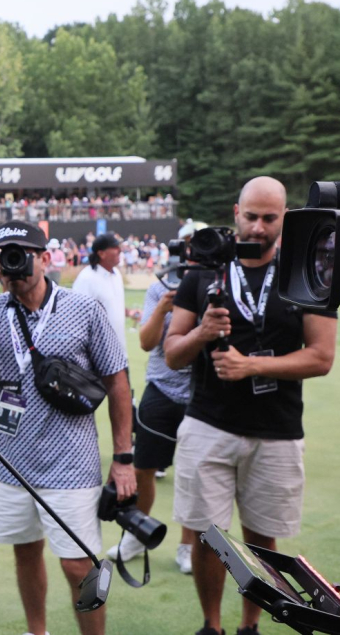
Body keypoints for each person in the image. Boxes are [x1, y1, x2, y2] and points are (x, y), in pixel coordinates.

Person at [164, 177, 336, 635]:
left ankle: (250, 626)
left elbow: (321, 357)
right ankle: (212, 626)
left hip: (276, 430)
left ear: (284, 219)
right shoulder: (203, 269)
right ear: (236, 211)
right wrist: (202, 332)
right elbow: (171, 352)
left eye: (269, 218)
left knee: (263, 540)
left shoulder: (307, 271)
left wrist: (252, 367)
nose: (258, 227)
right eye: (251, 216)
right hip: (209, 424)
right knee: (208, 538)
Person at [0, 220, 134, 635]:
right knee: (26, 553)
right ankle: (38, 632)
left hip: (72, 464)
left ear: (46, 259)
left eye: (21, 254)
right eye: (4, 256)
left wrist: (123, 457)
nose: (13, 265)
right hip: (13, 463)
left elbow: (118, 382)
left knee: (78, 564)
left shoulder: (82, 309)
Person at [106, 222, 204, 572]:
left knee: (194, 474)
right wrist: (163, 308)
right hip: (161, 389)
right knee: (144, 468)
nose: (191, 253)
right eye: (187, 245)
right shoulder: (160, 286)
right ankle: (138, 533)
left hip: (202, 394)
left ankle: (188, 545)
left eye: (198, 245)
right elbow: (147, 342)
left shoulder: (217, 284)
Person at [73, 233, 140, 355]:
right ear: (101, 253)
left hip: (119, 353)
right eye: (114, 247)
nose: (119, 250)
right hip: (98, 357)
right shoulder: (86, 279)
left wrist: (128, 312)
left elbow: (111, 305)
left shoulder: (116, 275)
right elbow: (77, 317)